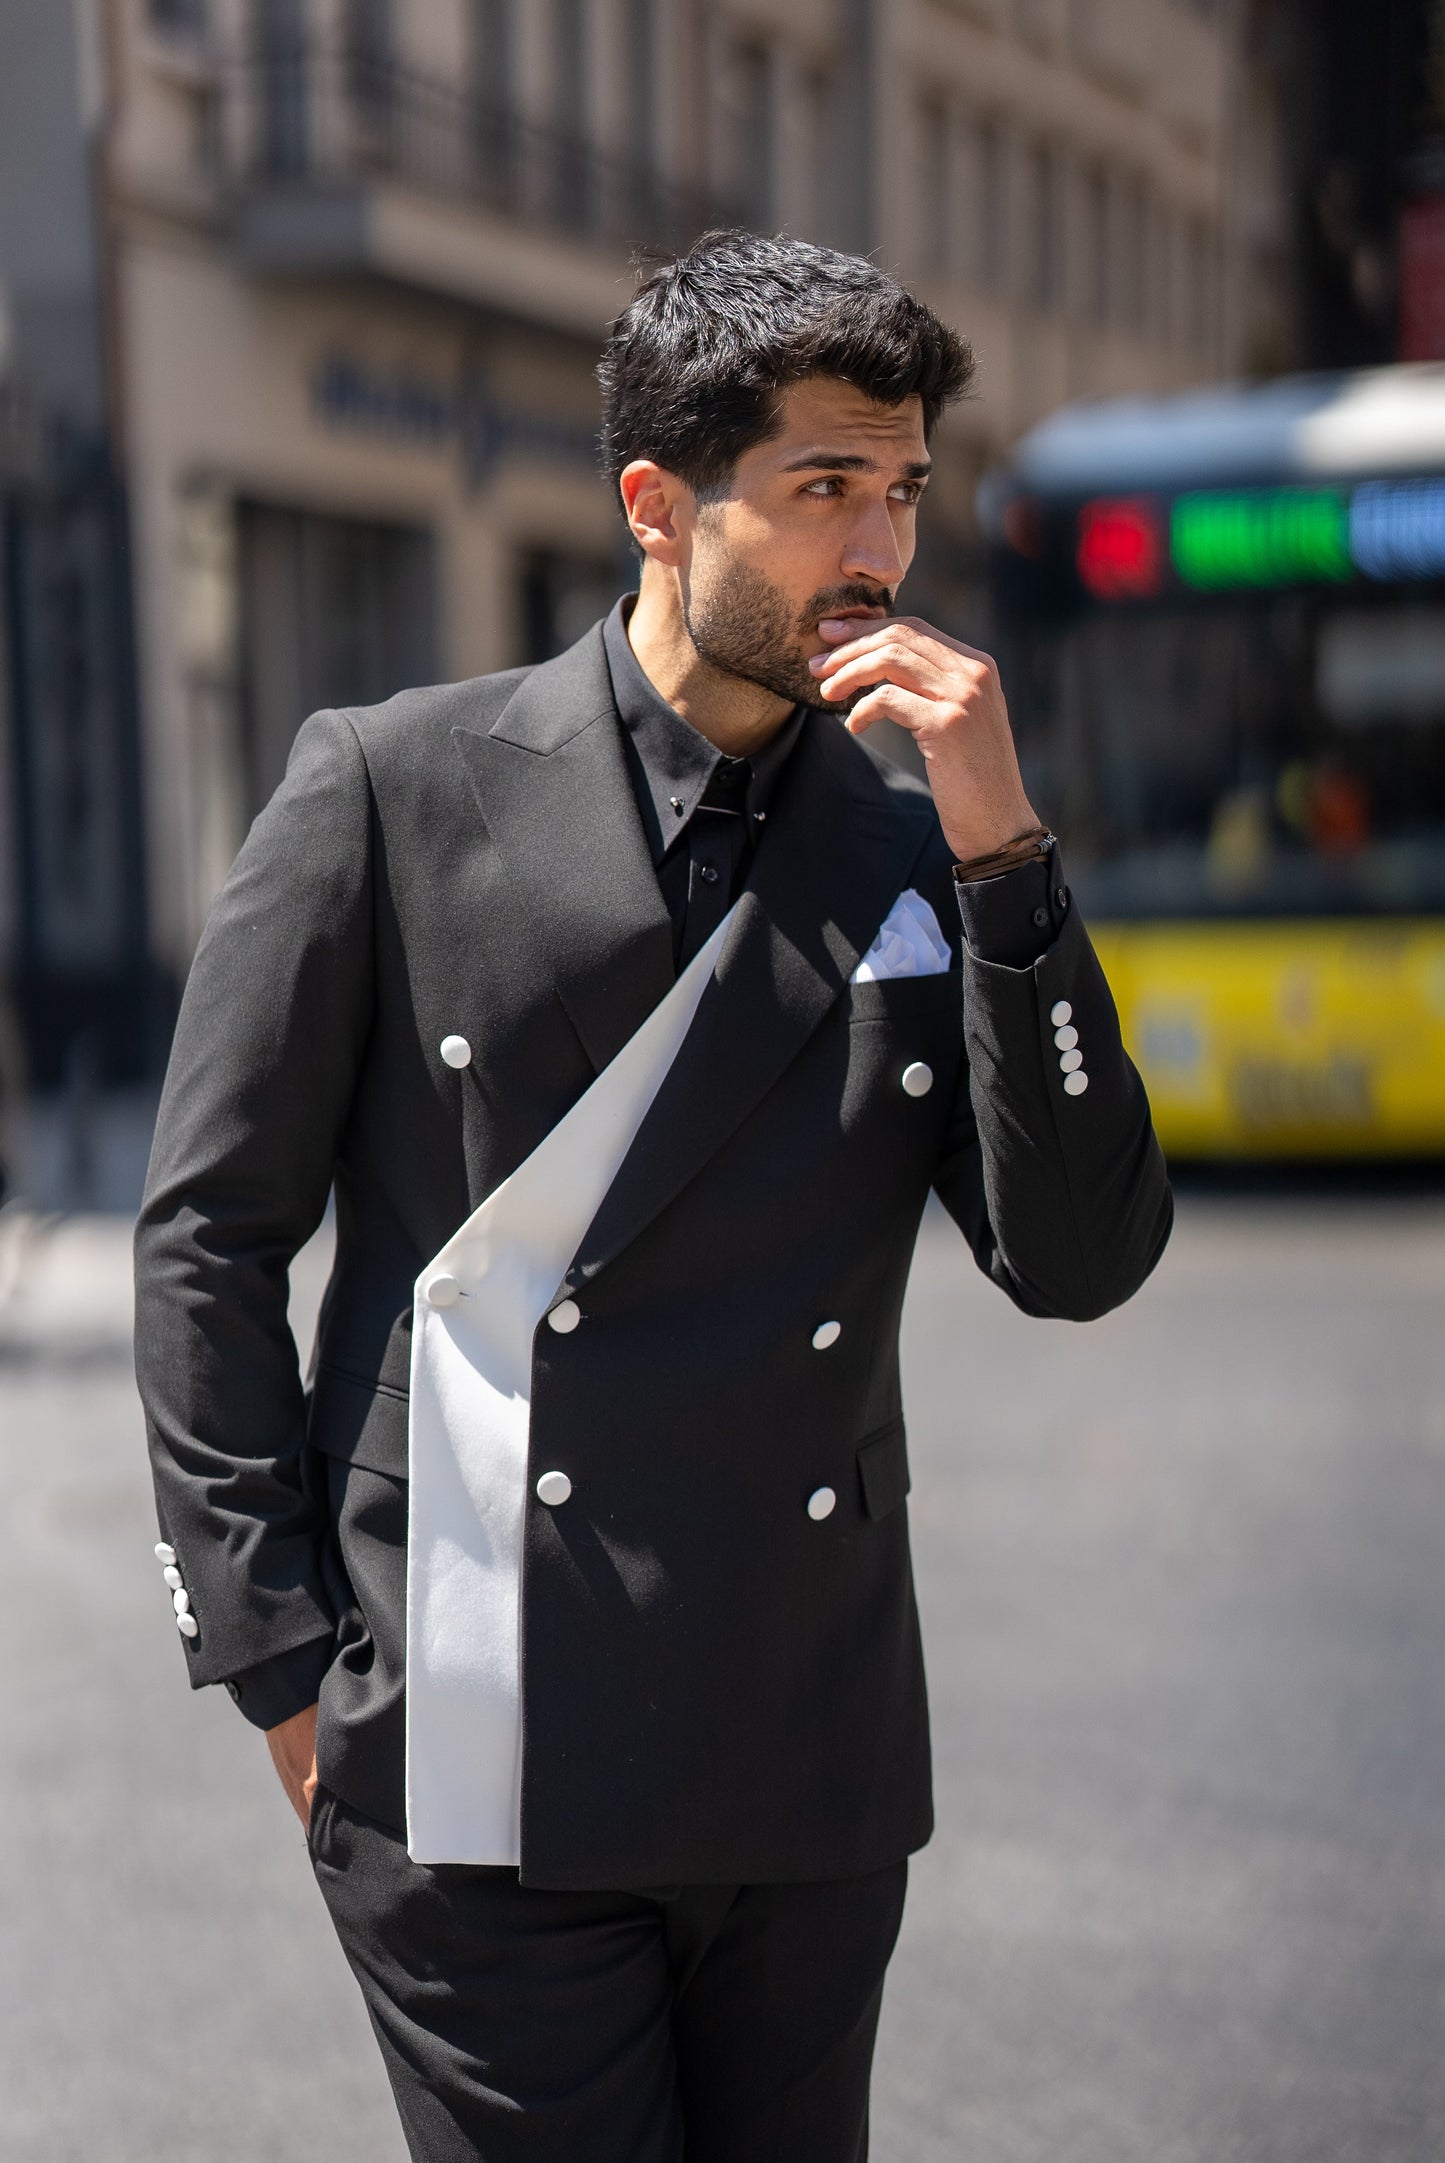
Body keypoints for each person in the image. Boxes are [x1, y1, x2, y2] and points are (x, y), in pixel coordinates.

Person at [134, 230, 1171, 2162]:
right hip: (476, 1729)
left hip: (804, 1742)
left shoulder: (923, 844)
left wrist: (1008, 862)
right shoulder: (390, 787)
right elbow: (209, 1235)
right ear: (655, 507)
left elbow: (1082, 1261)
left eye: (902, 491)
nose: (879, 548)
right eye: (823, 487)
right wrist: (277, 1660)